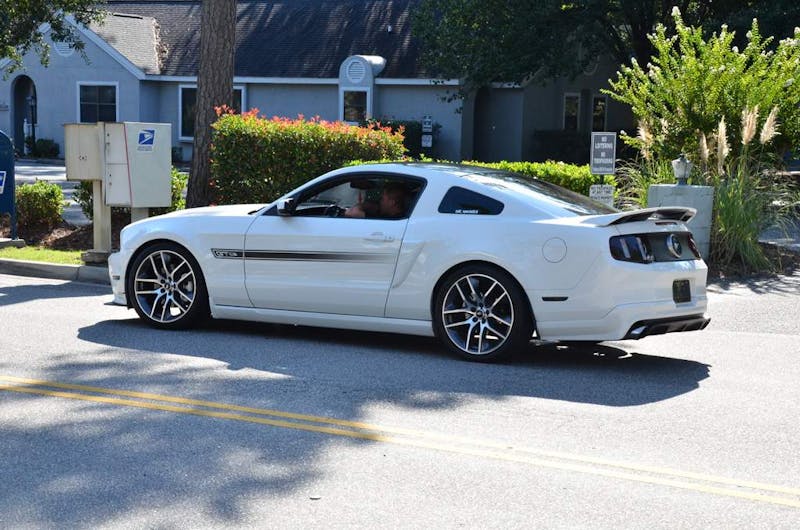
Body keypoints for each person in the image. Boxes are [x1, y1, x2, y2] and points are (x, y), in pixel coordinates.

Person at [344, 182, 409, 219]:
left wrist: (362, 205)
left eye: (382, 199)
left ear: (392, 203)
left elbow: (350, 212)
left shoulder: (385, 219)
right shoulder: (403, 217)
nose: (379, 201)